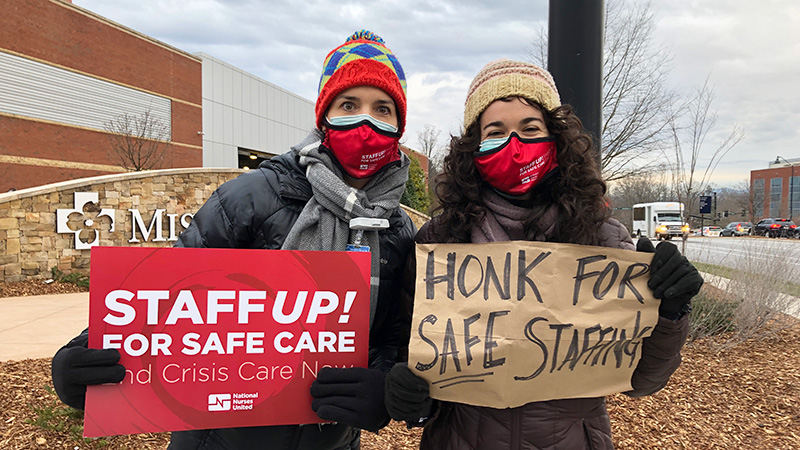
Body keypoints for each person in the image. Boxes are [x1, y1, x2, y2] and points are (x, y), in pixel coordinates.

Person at [51, 30, 416, 450]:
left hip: (329, 439)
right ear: (324, 116)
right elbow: (164, 295)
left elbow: (392, 338)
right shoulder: (252, 197)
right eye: (348, 104)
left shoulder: (398, 230)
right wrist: (80, 356)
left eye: (382, 109)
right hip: (217, 437)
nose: (365, 122)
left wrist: (383, 389)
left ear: (399, 125)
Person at [384, 59, 704, 449]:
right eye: (495, 131)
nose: (514, 144)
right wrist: (409, 397)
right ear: (474, 146)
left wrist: (670, 311)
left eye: (530, 128)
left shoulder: (601, 239)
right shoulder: (438, 243)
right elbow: (415, 361)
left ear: (556, 138)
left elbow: (642, 381)